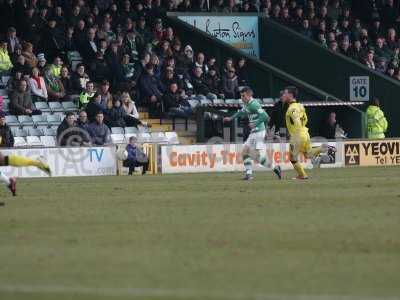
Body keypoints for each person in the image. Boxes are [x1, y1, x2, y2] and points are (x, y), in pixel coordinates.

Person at [223, 87, 281, 181]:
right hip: (255, 132)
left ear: (249, 95)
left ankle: (274, 167)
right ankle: (249, 174)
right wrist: (231, 118)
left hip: (258, 132)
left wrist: (255, 123)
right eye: (241, 96)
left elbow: (265, 116)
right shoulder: (247, 103)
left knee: (254, 155)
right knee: (246, 152)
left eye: (243, 95)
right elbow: (241, 112)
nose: (242, 97)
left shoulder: (254, 104)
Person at [281, 86, 334, 180]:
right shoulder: (300, 106)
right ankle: (324, 148)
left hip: (297, 135)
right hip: (305, 133)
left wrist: (295, 133)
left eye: (285, 93)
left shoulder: (292, 109)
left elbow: (296, 121)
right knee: (308, 154)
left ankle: (302, 175)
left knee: (292, 158)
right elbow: (305, 119)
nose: (283, 95)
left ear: (290, 95)